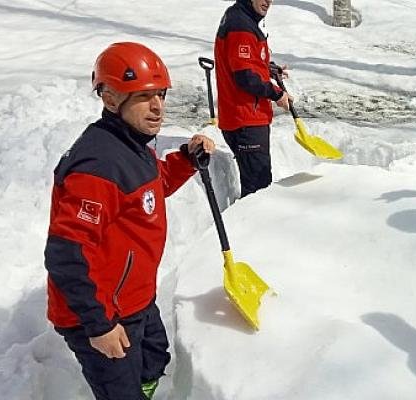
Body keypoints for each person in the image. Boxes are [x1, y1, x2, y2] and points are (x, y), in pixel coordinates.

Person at [44, 42, 215, 400]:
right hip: (101, 314)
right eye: (142, 97)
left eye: (160, 95)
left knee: (154, 358)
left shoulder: (132, 143)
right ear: (110, 99)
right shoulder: (97, 166)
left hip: (132, 298)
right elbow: (66, 253)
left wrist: (186, 159)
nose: (157, 108)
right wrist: (99, 325)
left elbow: (150, 189)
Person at [214, 0, 291, 198]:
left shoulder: (243, 19)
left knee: (258, 185)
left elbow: (247, 62)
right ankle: (253, 228)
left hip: (245, 117)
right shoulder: (241, 26)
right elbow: (245, 77)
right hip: (245, 119)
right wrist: (277, 93)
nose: (268, 2)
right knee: (258, 191)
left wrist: (269, 69)